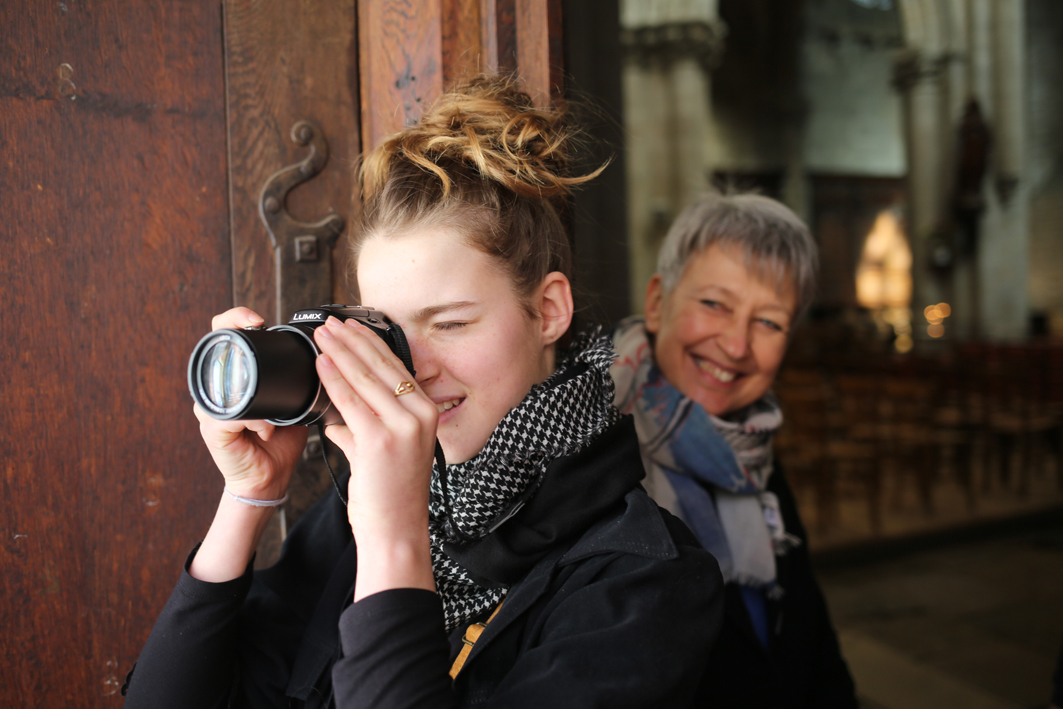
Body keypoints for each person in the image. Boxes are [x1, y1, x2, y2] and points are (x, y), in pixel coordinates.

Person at [122, 75, 722, 709]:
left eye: (452, 323)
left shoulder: (646, 579)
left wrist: (393, 537)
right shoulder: (359, 515)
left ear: (547, 310)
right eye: (391, 333)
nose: (412, 368)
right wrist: (248, 496)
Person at [611, 192, 858, 708]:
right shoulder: (595, 463)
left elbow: (812, 643)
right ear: (658, 303)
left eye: (768, 321)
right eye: (715, 304)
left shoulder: (753, 455)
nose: (738, 344)